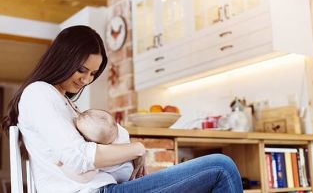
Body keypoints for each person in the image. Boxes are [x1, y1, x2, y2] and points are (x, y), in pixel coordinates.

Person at [1, 25, 243, 193]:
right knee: (220, 167)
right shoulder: (39, 93)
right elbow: (77, 157)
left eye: (93, 74)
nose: (86, 80)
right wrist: (135, 149)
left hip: (107, 188)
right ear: (63, 59)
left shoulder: (65, 103)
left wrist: (126, 158)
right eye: (82, 70)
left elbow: (94, 157)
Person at [57, 109, 134, 184]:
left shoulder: (101, 152)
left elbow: (83, 178)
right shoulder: (121, 132)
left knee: (87, 175)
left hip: (120, 172)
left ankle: (63, 167)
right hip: (129, 168)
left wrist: (63, 165)